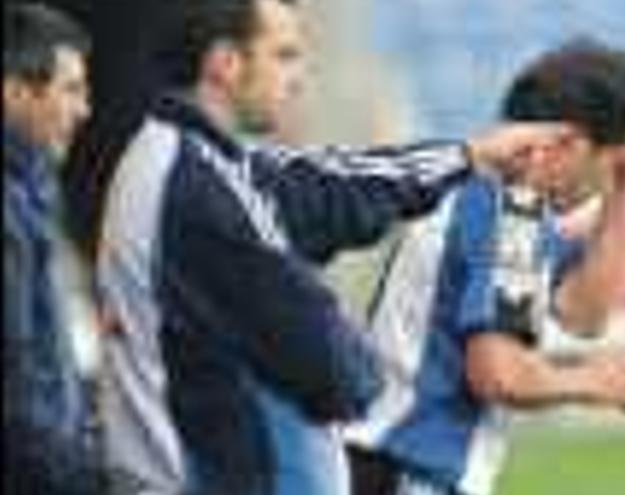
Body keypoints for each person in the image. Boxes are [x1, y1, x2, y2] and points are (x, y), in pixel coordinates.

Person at [95, 0, 574, 494]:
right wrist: (365, 372)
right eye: (283, 56)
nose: (299, 78)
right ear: (225, 64)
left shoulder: (204, 160)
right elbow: (322, 355)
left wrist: (470, 156)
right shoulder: (198, 186)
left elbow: (334, 188)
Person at [343, 37, 625, 495]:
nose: (600, 187)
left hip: (383, 466)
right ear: (569, 144)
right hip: (408, 471)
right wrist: (593, 381)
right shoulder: (511, 212)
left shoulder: (491, 197)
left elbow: (584, 313)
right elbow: (498, 373)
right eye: (610, 165)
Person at [3, 3, 105, 493]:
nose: (85, 110)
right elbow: (16, 402)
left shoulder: (35, 191)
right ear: (16, 92)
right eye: (71, 90)